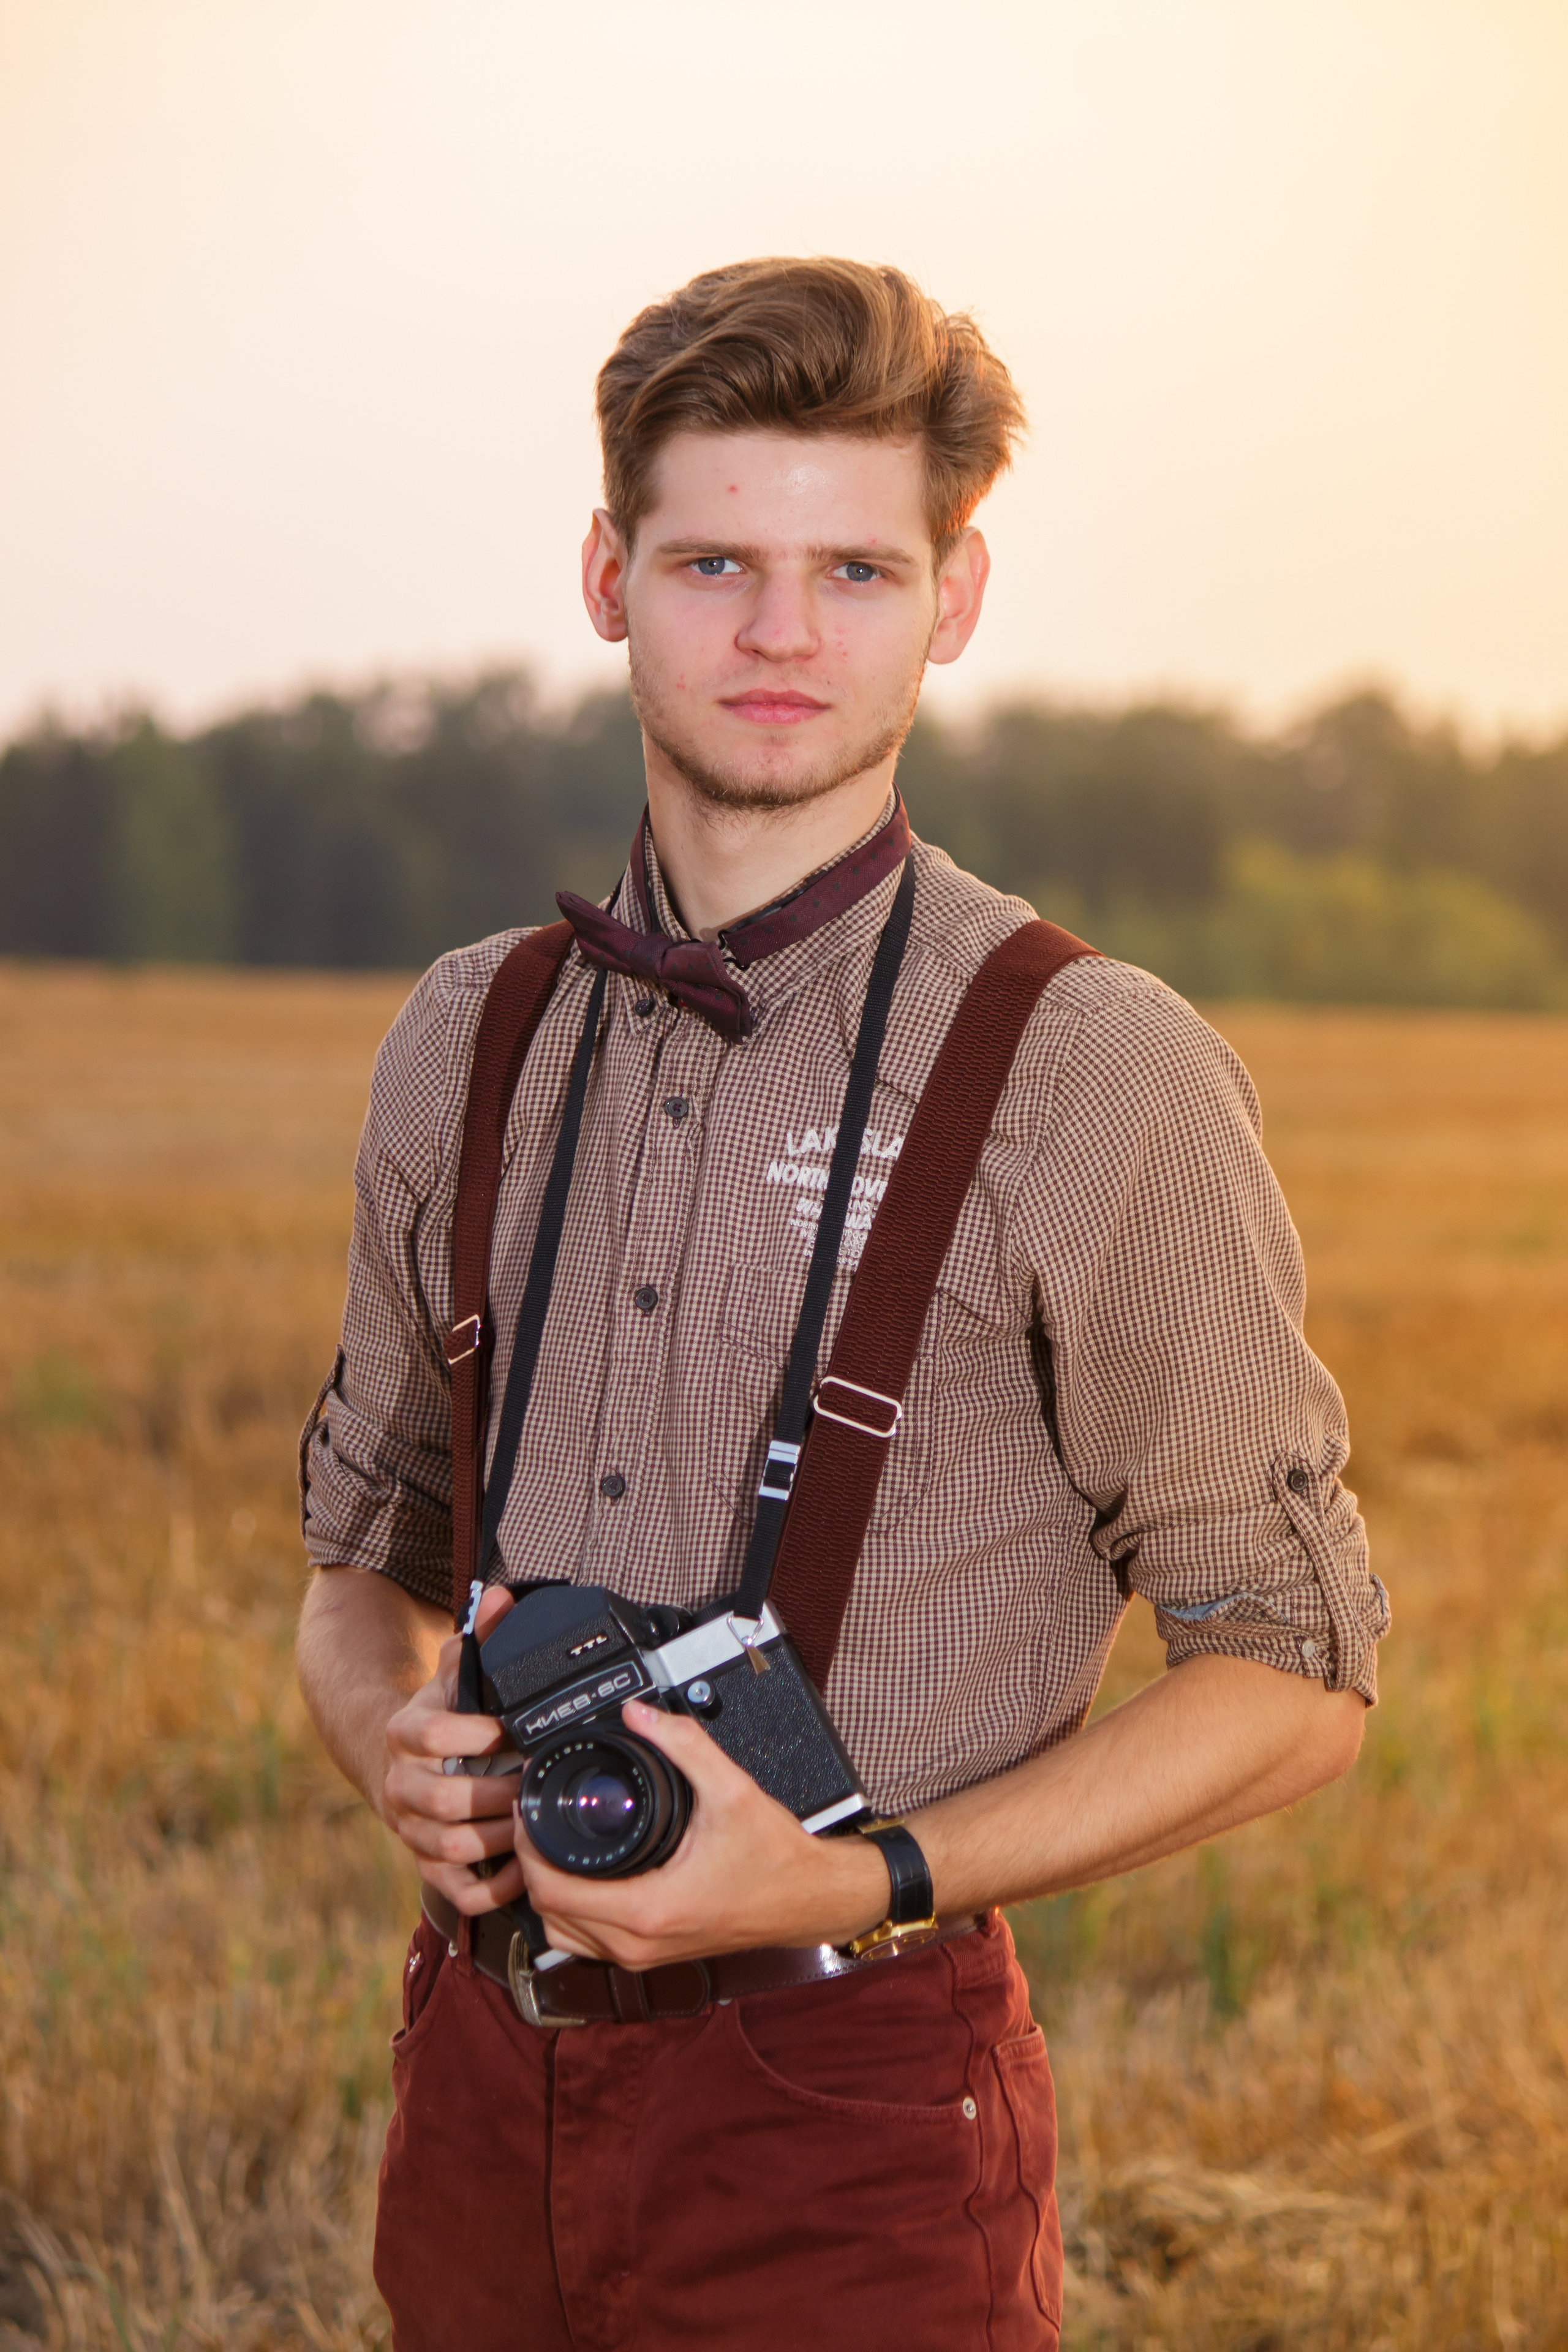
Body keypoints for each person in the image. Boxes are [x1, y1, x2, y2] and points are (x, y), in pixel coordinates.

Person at [295, 257, 1387, 2352]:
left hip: (855, 2098)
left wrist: (863, 1877)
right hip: (477, 2073)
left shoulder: (1099, 1069)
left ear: (954, 597)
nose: (784, 632)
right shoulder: (465, 1040)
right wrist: (388, 1747)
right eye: (716, 560)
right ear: (610, 575)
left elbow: (1301, 1674)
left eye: (856, 569)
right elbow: (363, 1572)